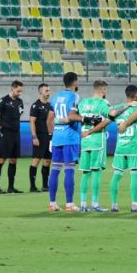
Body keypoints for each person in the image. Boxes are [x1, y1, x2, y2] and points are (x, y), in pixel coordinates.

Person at [48, 71, 84, 211]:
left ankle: (52, 203)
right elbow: (72, 116)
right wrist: (85, 118)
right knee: (69, 170)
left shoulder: (56, 97)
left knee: (55, 169)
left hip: (57, 137)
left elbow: (49, 119)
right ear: (75, 82)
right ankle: (69, 204)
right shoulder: (75, 96)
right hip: (70, 137)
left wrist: (52, 135)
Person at [77, 80, 112, 212]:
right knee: (96, 172)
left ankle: (83, 204)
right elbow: (109, 119)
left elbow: (78, 118)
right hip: (97, 140)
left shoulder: (83, 103)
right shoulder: (104, 103)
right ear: (103, 90)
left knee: (85, 173)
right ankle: (95, 204)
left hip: (85, 141)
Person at [0, 80, 25, 194]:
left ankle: (11, 187)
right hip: (6, 133)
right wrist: (1, 128)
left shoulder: (20, 101)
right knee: (1, 158)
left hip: (16, 133)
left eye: (21, 91)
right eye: (18, 90)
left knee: (13, 159)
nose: (20, 92)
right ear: (12, 88)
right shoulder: (4, 100)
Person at [28, 83, 53, 193]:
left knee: (47, 161)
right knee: (36, 160)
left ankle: (45, 185)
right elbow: (32, 122)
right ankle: (32, 186)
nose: (48, 92)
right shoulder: (35, 105)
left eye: (49, 90)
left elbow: (52, 122)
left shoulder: (50, 106)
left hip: (49, 136)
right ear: (40, 92)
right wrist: (34, 136)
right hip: (39, 136)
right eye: (46, 90)